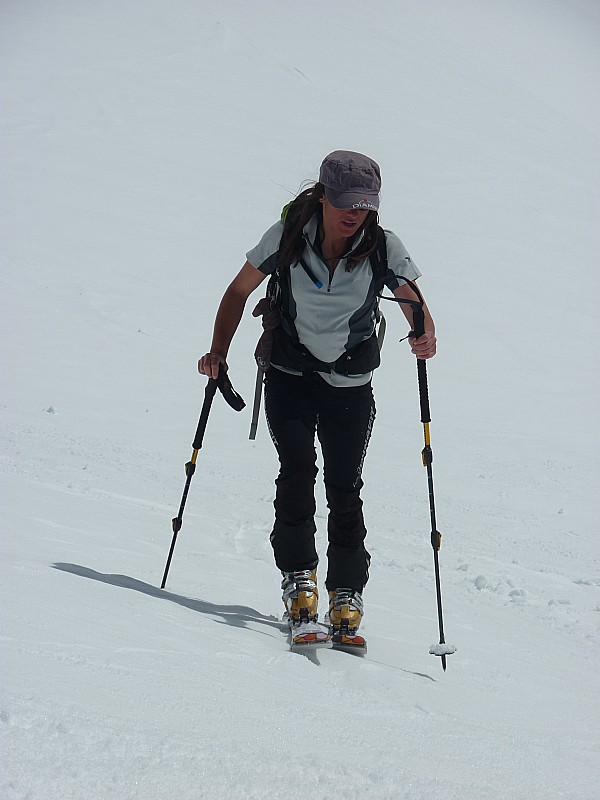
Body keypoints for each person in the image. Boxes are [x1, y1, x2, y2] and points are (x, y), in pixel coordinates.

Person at [199, 150, 436, 652]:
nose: (356, 214)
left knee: (344, 484)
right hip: (288, 373)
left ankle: (346, 592)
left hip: (350, 384)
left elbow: (414, 302)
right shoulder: (288, 235)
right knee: (297, 471)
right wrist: (218, 351)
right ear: (324, 196)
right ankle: (298, 580)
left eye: (366, 205)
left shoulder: (381, 246)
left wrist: (425, 333)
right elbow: (239, 290)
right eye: (348, 203)